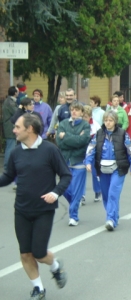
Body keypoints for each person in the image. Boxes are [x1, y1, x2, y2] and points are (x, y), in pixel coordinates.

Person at [0, 113, 72, 299]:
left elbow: (65, 175)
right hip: (22, 210)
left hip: (44, 211)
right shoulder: (16, 152)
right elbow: (9, 176)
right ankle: (38, 288)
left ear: (29, 129)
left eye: (17, 127)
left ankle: (55, 266)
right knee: (25, 253)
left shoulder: (50, 150)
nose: (14, 130)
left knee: (39, 253)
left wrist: (55, 193)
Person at [85, 110, 131, 231]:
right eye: (106, 120)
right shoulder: (99, 134)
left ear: (115, 121)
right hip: (102, 168)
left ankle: (110, 219)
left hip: (118, 168)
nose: (108, 123)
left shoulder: (123, 134)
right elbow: (91, 148)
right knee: (105, 195)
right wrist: (88, 162)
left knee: (113, 193)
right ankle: (114, 216)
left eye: (110, 120)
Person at [56, 102, 91, 226]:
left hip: (79, 162)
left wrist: (65, 136)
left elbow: (82, 141)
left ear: (82, 112)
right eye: (72, 110)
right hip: (65, 161)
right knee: (64, 189)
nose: (74, 112)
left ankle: (73, 216)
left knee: (77, 191)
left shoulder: (86, 125)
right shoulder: (63, 123)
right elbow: (59, 142)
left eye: (77, 110)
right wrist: (74, 138)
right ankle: (75, 203)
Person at [82, 105, 102, 203]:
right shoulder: (79, 125)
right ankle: (82, 194)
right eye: (83, 116)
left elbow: (99, 138)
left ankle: (98, 191)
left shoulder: (95, 125)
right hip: (82, 151)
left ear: (90, 116)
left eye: (86, 117)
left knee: (95, 173)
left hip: (93, 152)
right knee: (81, 173)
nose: (84, 118)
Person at [2, 86, 19, 172]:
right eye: (18, 91)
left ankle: (9, 165)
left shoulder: (9, 101)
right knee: (10, 146)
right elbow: (17, 112)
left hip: (9, 126)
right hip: (10, 127)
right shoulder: (10, 102)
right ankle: (7, 167)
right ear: (15, 93)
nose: (19, 92)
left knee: (11, 145)